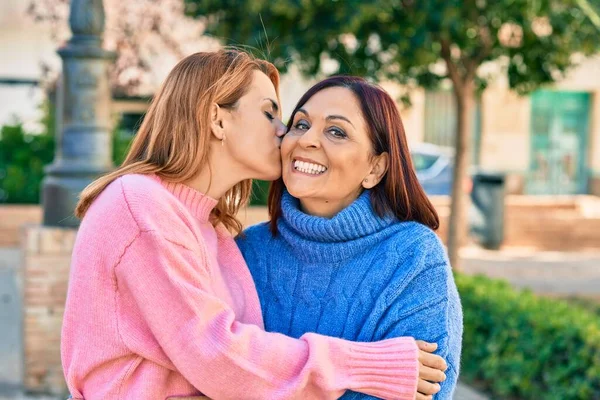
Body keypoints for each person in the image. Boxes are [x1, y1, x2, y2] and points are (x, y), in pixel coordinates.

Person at [61, 50, 447, 400]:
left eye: (335, 131)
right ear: (217, 119)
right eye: (273, 114)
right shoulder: (141, 205)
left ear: (376, 165)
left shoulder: (216, 236)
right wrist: (365, 365)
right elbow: (219, 356)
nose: (286, 132)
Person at [237, 76, 463, 399]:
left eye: (336, 131)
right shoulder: (247, 250)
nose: (306, 140)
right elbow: (217, 371)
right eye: (300, 124)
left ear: (376, 168)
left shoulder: (414, 258)